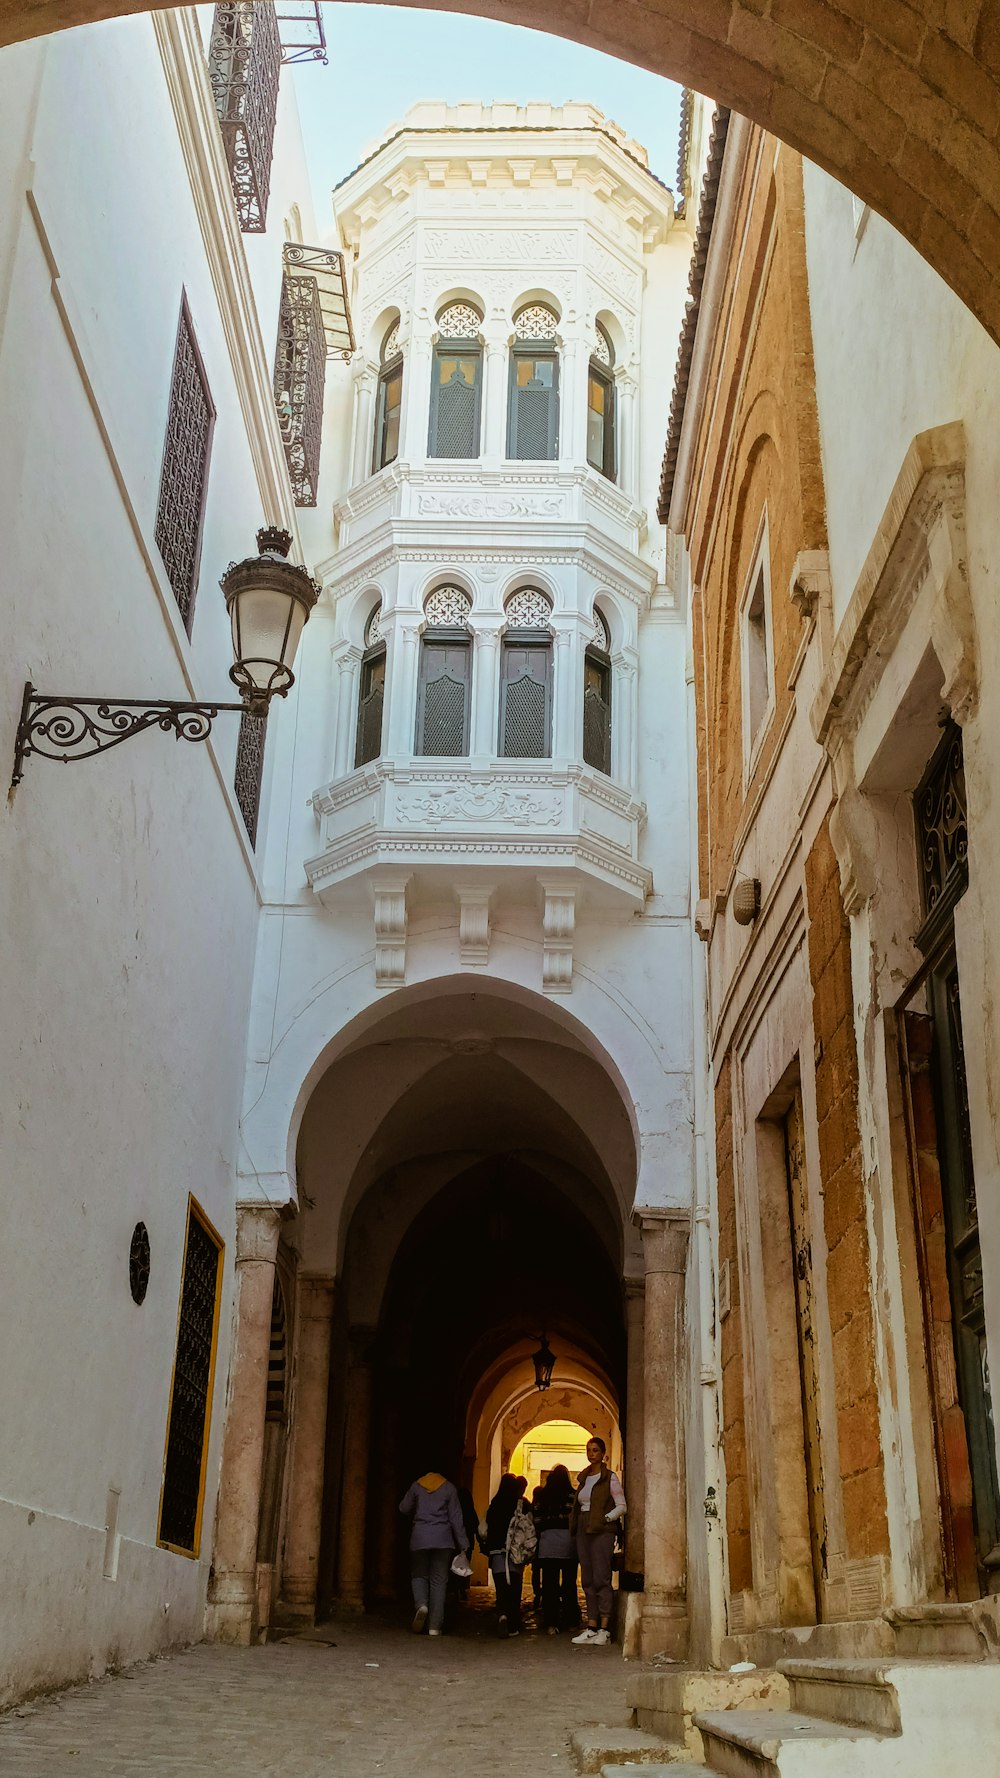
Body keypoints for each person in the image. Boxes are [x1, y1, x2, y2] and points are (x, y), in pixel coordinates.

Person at [399, 1466, 469, 1638]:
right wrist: (463, 1544)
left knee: (419, 1575)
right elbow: (456, 1517)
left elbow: (403, 1508)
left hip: (420, 1538)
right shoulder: (449, 1488)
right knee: (439, 1582)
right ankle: (435, 1627)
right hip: (443, 1540)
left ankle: (421, 1605)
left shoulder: (417, 1486)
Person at [570, 1437, 625, 1646]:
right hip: (584, 1528)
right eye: (588, 1450)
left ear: (603, 1454)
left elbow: (621, 1505)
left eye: (595, 1450)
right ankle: (591, 1626)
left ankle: (604, 1627)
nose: (591, 1453)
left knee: (602, 1577)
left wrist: (606, 1519)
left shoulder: (609, 1478)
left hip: (602, 1530)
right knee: (587, 1577)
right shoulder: (583, 1479)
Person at [482, 1473, 534, 1638]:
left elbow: (486, 1528)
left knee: (501, 1589)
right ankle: (512, 1624)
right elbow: (531, 1526)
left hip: (497, 1553)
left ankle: (502, 1613)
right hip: (515, 1553)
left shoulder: (495, 1504)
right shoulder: (522, 1504)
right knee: (514, 1589)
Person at [534, 1463, 580, 1634]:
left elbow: (536, 1520)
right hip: (569, 1546)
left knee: (549, 1585)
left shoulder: (543, 1496)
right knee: (569, 1584)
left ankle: (551, 1622)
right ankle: (571, 1620)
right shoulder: (573, 1496)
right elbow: (577, 1521)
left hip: (548, 1545)